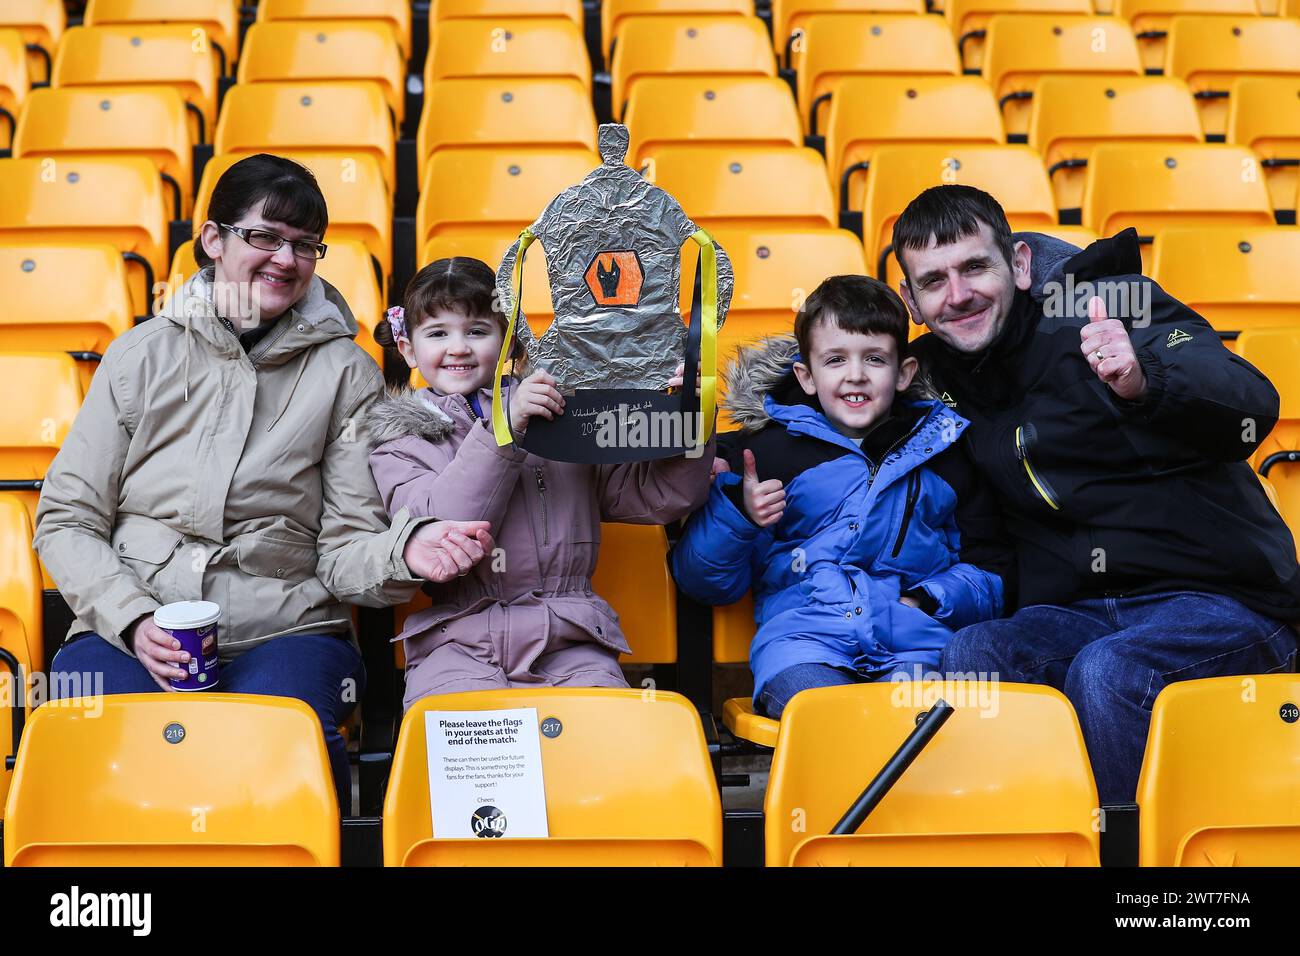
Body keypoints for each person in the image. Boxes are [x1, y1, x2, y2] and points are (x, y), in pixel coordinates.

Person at [35, 154, 495, 807]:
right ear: (213, 239)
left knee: (285, 739)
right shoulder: (141, 354)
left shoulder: (346, 372)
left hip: (288, 628)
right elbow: (66, 518)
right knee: (89, 739)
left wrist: (404, 550)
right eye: (266, 236)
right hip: (132, 620)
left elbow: (343, 552)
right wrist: (134, 621)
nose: (287, 257)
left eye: (306, 244)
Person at [896, 184, 1300, 804]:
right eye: (934, 281)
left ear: (1021, 264)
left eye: (976, 266)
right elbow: (827, 384)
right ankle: (1033, 844)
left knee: (1111, 671)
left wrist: (1144, 380)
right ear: (912, 301)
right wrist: (699, 419)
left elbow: (1250, 403)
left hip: (1222, 601)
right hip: (1077, 612)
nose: (959, 295)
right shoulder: (929, 374)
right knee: (978, 652)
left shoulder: (1111, 306)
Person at [366, 257, 715, 709]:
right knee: (465, 763)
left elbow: (659, 497)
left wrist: (689, 418)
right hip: (456, 645)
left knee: (603, 754)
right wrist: (503, 430)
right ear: (408, 350)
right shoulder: (398, 440)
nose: (458, 348)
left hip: (572, 641)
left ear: (510, 342)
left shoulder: (559, 415)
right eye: (437, 333)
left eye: (477, 331)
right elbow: (443, 524)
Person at [669, 275, 1013, 718]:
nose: (855, 375)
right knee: (828, 718)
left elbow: (992, 571)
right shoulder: (767, 453)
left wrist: (929, 598)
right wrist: (740, 516)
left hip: (914, 646)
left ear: (904, 372)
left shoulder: (947, 455)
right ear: (806, 377)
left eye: (874, 359)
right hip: (804, 645)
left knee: (928, 725)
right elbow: (702, 580)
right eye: (835, 360)